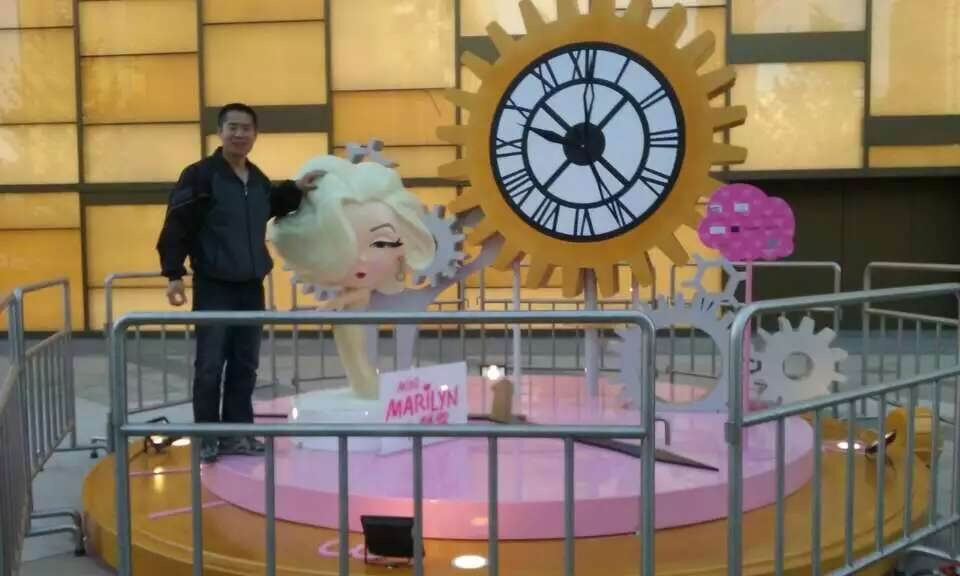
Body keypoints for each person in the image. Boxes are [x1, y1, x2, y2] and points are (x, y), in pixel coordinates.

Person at [156, 102, 323, 462]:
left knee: (245, 365)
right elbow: (177, 224)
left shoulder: (256, 178)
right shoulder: (200, 175)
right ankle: (207, 437)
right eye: (232, 127)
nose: (239, 134)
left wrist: (297, 188)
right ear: (220, 132)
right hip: (214, 285)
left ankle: (238, 434)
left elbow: (271, 204)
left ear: (255, 134)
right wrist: (174, 274)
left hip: (250, 286)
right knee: (210, 365)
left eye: (246, 128)